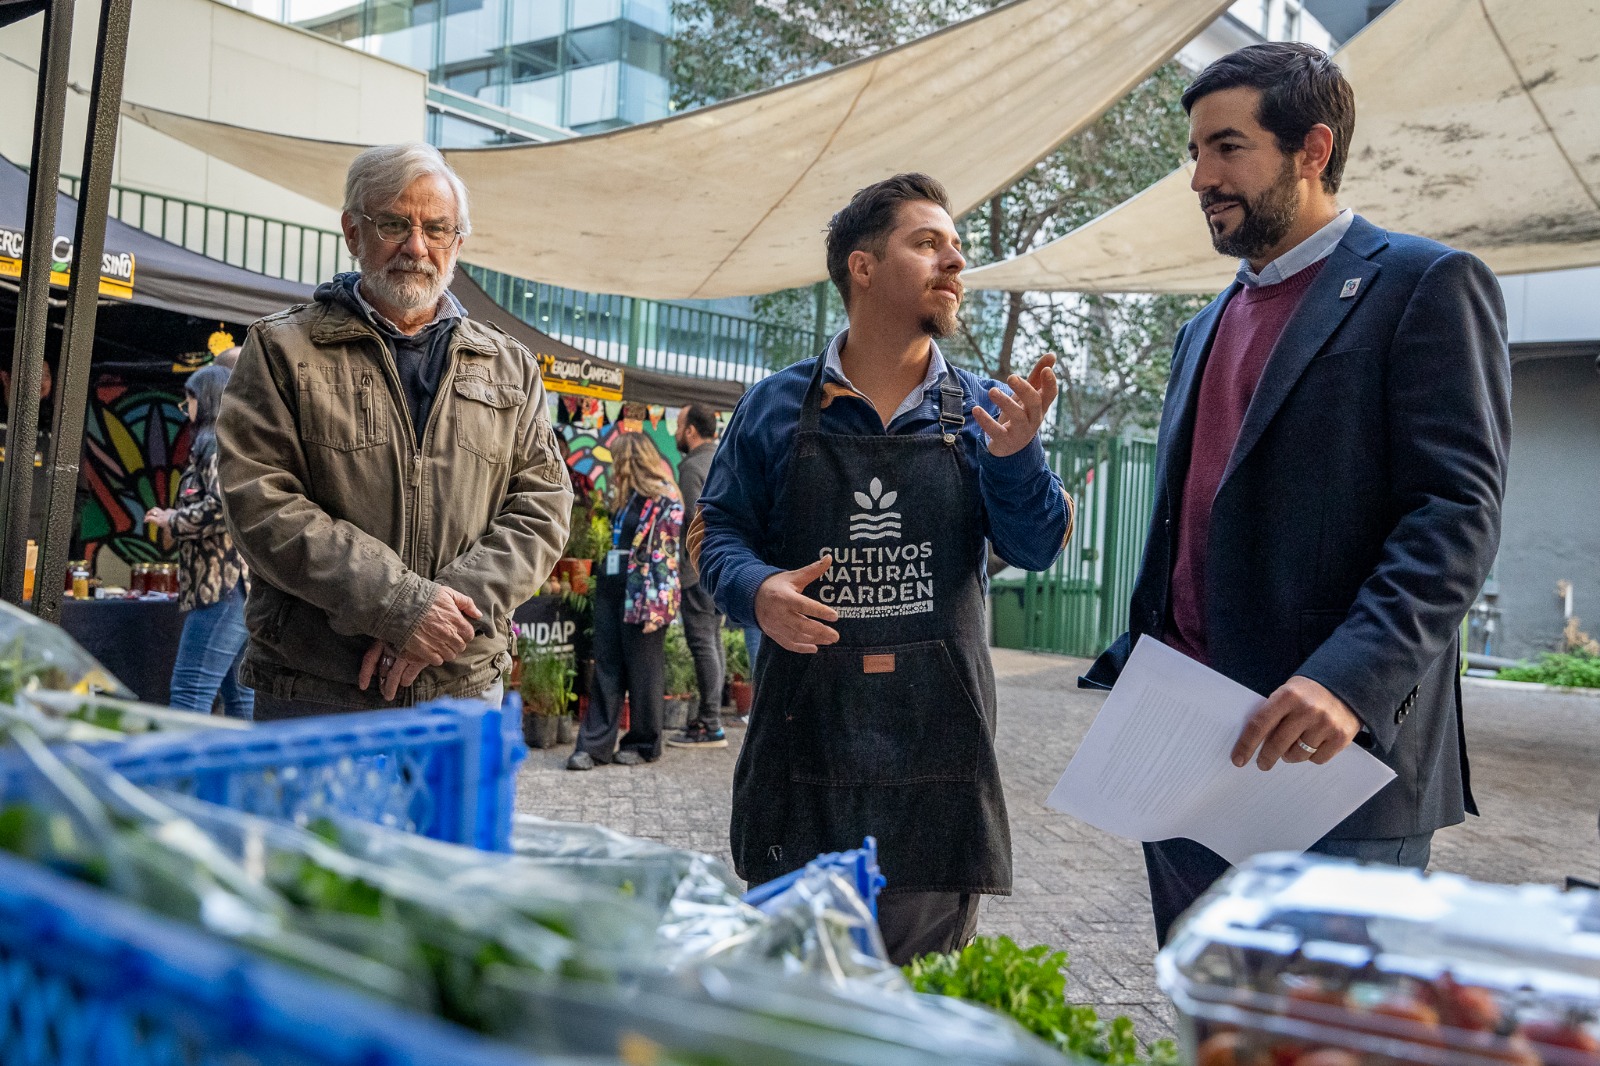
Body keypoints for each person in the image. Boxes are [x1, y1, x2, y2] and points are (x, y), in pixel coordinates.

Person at [1081, 43, 1511, 945]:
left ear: (1312, 149)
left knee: (1323, 1037)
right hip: (1188, 754)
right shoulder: (1201, 327)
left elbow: (1454, 515)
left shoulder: (1425, 285)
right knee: (1211, 1027)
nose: (1200, 175)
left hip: (1331, 765)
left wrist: (1346, 682)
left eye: (1227, 147)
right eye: (1194, 152)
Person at [695, 173, 1072, 965]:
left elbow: (1037, 545)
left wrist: (1017, 459)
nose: (954, 263)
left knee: (911, 1017)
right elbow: (717, 533)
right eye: (927, 243)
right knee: (800, 1009)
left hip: (938, 760)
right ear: (861, 268)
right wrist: (755, 590)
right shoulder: (772, 408)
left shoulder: (985, 414)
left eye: (957, 249)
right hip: (805, 749)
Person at [217, 142, 572, 718]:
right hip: (319, 689)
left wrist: (442, 617)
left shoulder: (510, 365)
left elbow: (544, 507)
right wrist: (400, 606)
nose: (416, 247)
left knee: (456, 816)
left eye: (437, 229)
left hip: (461, 686)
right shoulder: (282, 349)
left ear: (458, 243)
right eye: (393, 224)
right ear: (353, 232)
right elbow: (259, 501)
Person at [567, 433, 683, 771]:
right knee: (606, 667)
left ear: (630, 459)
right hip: (612, 588)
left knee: (644, 672)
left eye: (615, 458)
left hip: (644, 595)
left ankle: (644, 743)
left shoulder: (666, 500)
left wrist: (658, 608)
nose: (610, 465)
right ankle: (593, 746)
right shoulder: (624, 498)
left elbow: (666, 557)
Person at [144, 363, 254, 719]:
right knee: (239, 698)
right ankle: (243, 774)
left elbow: (223, 508)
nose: (185, 409)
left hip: (220, 589)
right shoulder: (227, 445)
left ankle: (183, 776)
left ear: (204, 400)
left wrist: (171, 519)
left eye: (188, 400)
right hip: (233, 591)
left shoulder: (213, 447)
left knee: (189, 692)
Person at [666, 402, 727, 748]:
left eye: (678, 425)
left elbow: (692, 519)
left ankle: (710, 724)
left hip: (696, 571)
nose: (676, 432)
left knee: (702, 643)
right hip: (718, 569)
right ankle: (712, 718)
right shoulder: (720, 458)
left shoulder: (691, 467)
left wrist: (690, 565)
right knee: (713, 643)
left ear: (691, 431)